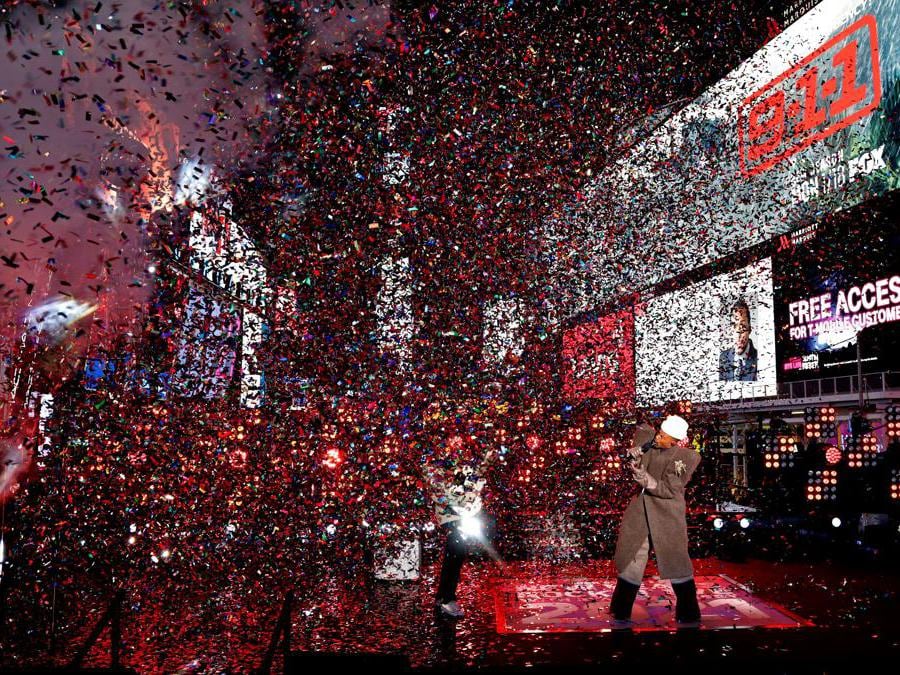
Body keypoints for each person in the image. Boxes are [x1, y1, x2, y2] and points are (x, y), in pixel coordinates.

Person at [609, 415, 702, 625]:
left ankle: (689, 613)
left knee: (676, 563)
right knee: (631, 562)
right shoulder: (649, 443)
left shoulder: (687, 457)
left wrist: (645, 478)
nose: (659, 438)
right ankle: (620, 611)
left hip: (667, 517)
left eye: (664, 436)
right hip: (640, 515)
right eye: (659, 433)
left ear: (674, 440)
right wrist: (634, 458)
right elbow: (637, 452)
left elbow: (668, 489)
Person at [424, 445, 497, 619]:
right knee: (455, 555)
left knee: (455, 556)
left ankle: (443, 597)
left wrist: (488, 460)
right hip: (453, 518)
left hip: (462, 516)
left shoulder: (465, 468)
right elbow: (439, 493)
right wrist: (456, 507)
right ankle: (447, 599)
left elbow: (476, 477)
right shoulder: (443, 468)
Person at [719, 299, 758, 381]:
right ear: (730, 330)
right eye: (734, 326)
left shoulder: (759, 358)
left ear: (750, 329)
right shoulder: (722, 358)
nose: (738, 334)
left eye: (743, 327)